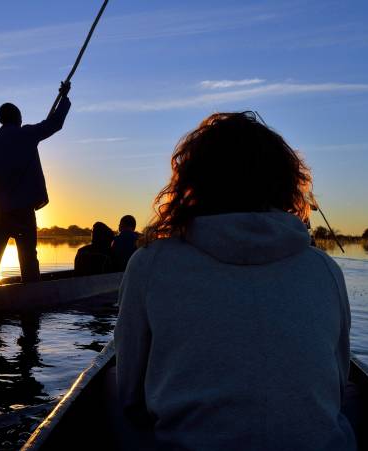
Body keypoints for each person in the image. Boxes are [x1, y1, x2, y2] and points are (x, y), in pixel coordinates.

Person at [114, 112, 355, 450]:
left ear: (192, 182)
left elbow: (130, 395)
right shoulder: (325, 269)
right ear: (284, 184)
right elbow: (338, 386)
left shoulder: (149, 265)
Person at [0, 82, 72, 285]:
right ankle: (32, 297)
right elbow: (54, 123)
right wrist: (64, 97)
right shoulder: (26, 134)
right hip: (22, 211)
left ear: (1, 120)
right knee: (28, 258)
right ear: (18, 118)